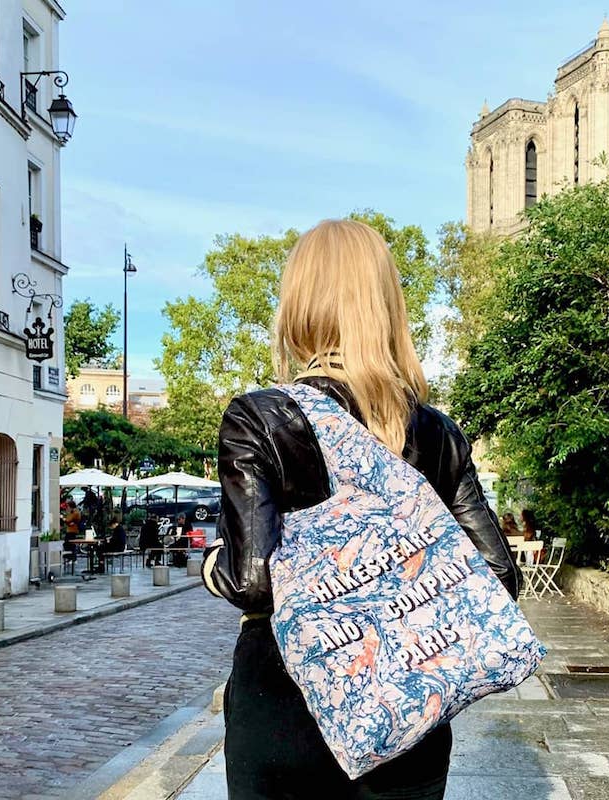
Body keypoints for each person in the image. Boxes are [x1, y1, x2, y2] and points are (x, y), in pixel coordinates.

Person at [202, 219, 521, 800]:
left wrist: (210, 561)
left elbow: (254, 582)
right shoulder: (437, 431)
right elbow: (497, 572)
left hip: (286, 707)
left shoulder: (260, 419)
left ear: (297, 307)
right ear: (386, 306)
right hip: (410, 708)